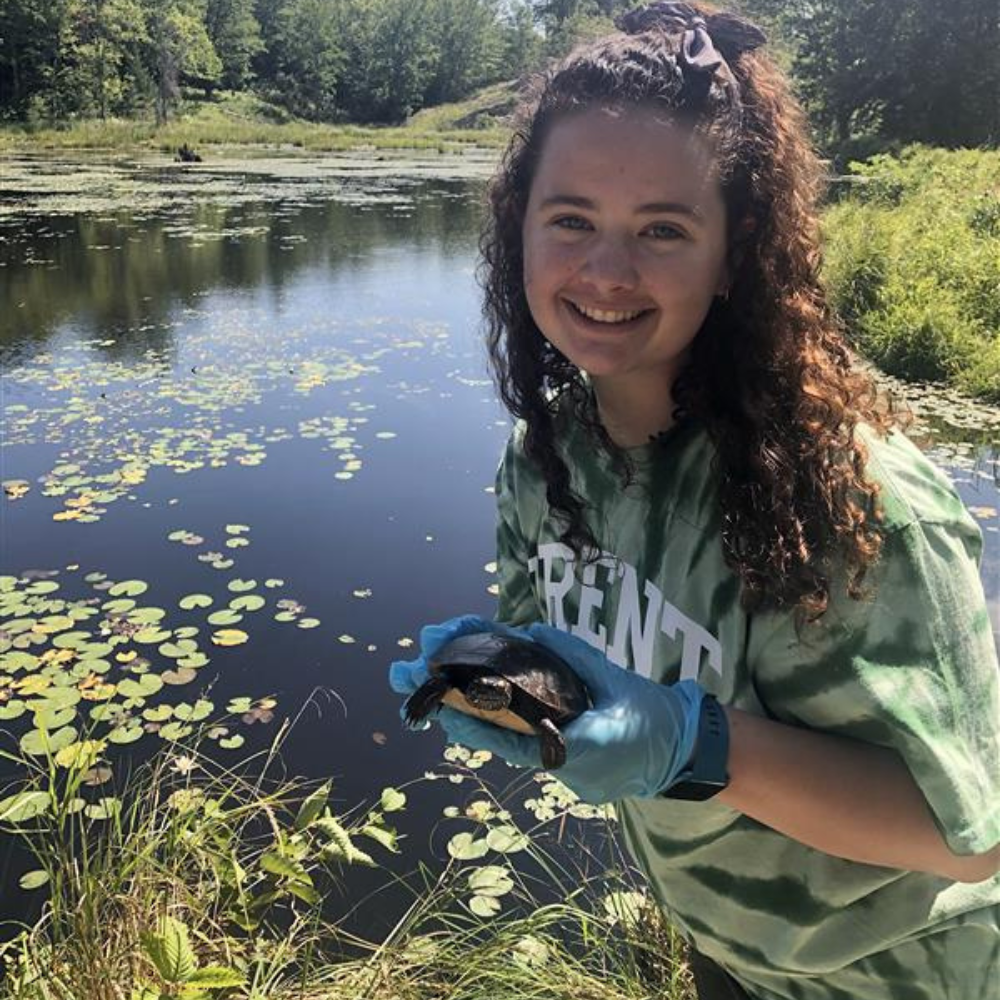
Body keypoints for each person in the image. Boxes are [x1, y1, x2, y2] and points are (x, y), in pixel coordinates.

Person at [388, 3, 1000, 997]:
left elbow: (968, 838)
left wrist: (692, 742)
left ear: (734, 250)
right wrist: (507, 683)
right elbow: (563, 647)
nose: (605, 270)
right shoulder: (544, 458)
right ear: (518, 228)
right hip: (722, 950)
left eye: (662, 228)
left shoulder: (849, 500)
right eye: (570, 219)